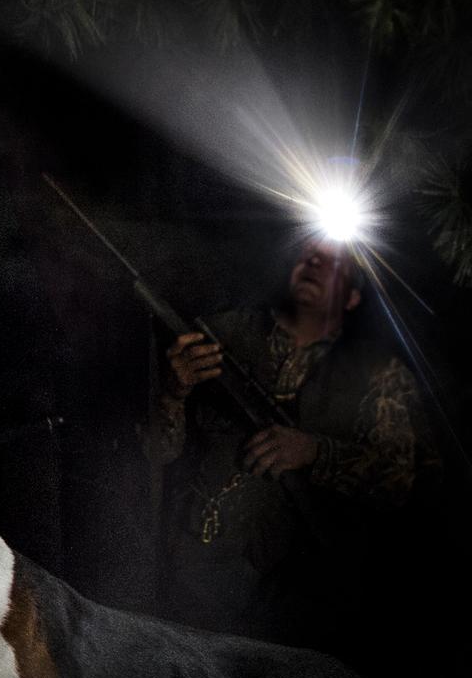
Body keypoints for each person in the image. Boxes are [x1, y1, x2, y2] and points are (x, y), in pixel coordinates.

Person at [145, 237, 435, 652]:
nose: (315, 261)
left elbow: (400, 482)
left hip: (305, 599)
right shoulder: (214, 335)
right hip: (195, 574)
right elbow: (155, 453)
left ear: (352, 297)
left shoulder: (379, 374)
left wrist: (314, 451)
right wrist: (172, 392)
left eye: (335, 263)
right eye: (309, 253)